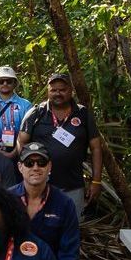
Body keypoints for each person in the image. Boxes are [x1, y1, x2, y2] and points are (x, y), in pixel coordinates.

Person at [19, 73, 105, 212]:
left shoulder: (82, 113)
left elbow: (96, 148)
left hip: (73, 186)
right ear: (48, 91)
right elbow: (21, 143)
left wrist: (96, 181)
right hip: (40, 187)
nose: (57, 93)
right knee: (42, 229)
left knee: (71, 228)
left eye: (62, 90)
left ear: (70, 90)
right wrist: (27, 174)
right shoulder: (36, 113)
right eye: (53, 90)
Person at [0, 65, 34, 154]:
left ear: (14, 83)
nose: (5, 83)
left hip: (21, 153)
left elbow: (29, 132)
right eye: (1, 81)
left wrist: (15, 152)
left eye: (8, 81)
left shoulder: (26, 105)